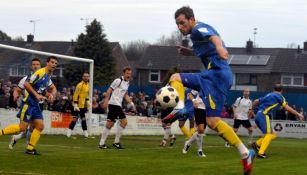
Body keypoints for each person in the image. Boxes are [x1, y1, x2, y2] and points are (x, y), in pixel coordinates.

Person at [162, 6, 255, 174]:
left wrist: (220, 47)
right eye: (177, 24)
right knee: (212, 121)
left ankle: (180, 108)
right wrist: (189, 52)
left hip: (217, 76)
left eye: (182, 23)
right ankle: (245, 153)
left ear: (191, 19)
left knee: (175, 78)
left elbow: (214, 37)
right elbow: (206, 50)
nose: (180, 27)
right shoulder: (195, 37)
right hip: (212, 76)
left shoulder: (198, 29)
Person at [0, 56, 57, 155]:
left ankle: (30, 149)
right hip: (29, 104)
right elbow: (26, 84)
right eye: (52, 62)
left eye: (55, 63)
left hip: (36, 105)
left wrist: (50, 95)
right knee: (22, 128)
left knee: (40, 126)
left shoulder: (48, 76)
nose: (54, 65)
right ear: (47, 63)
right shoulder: (40, 73)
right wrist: (35, 95)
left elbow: (45, 89)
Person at [251, 84, 304, 158]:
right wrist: (298, 114)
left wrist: (251, 110)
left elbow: (256, 101)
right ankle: (261, 153)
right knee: (269, 134)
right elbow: (287, 108)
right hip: (264, 115)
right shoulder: (279, 96)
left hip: (258, 116)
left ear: (274, 89)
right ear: (282, 91)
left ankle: (257, 144)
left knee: (274, 134)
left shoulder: (268, 95)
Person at [98, 67, 136, 149]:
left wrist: (132, 104)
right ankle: (116, 142)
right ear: (123, 73)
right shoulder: (118, 80)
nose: (128, 75)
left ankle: (101, 143)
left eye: (130, 74)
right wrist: (105, 101)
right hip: (114, 104)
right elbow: (109, 91)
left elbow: (125, 95)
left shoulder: (127, 83)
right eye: (127, 73)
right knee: (124, 121)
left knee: (110, 124)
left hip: (117, 104)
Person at [8, 58, 41, 150]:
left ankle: (16, 138)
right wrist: (15, 95)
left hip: (36, 106)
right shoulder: (25, 79)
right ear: (31, 66)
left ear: (40, 66)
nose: (35, 66)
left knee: (29, 129)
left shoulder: (43, 79)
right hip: (27, 106)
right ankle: (28, 148)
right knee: (27, 128)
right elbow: (17, 90)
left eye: (37, 64)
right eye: (34, 64)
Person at [182, 90, 207, 157]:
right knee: (201, 130)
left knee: (201, 131)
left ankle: (188, 143)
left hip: (207, 110)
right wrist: (193, 100)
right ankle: (200, 150)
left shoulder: (214, 87)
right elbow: (190, 94)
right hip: (199, 108)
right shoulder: (200, 84)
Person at [67, 73, 91, 138]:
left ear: (88, 77)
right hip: (77, 105)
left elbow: (86, 94)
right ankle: (69, 132)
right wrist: (75, 104)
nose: (86, 77)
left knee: (83, 119)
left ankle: (85, 133)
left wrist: (88, 100)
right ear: (82, 77)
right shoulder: (80, 85)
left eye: (87, 76)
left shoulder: (88, 85)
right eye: (85, 76)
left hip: (82, 105)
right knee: (75, 119)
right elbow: (75, 95)